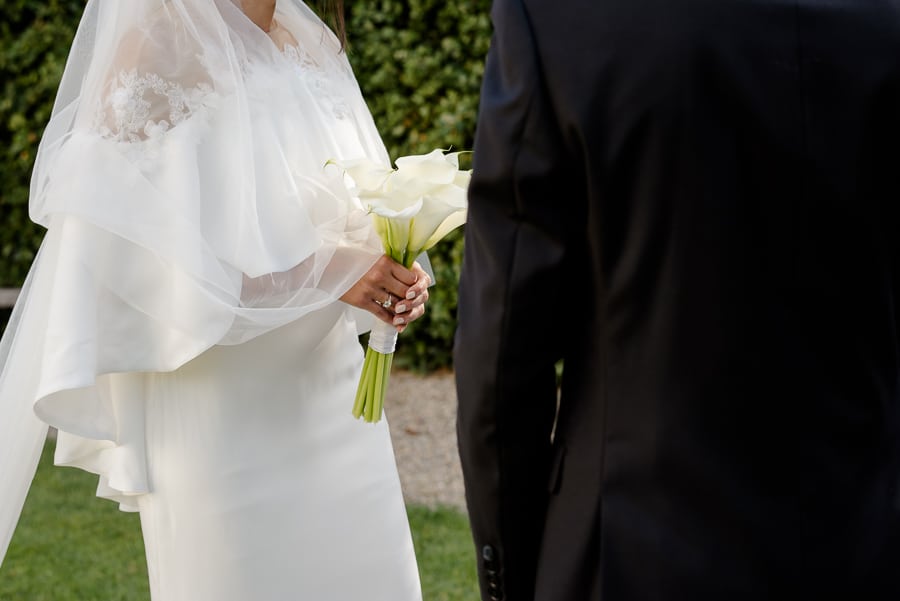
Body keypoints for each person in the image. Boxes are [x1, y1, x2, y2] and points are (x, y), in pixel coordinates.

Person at [454, 0, 900, 599]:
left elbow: (504, 351)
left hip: (632, 550)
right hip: (865, 544)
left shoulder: (557, 17)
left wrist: (508, 574)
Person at [0, 1, 428, 599]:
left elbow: (358, 223)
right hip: (220, 410)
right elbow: (131, 256)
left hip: (335, 402)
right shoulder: (155, 42)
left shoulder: (310, 42)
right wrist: (330, 273)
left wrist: (392, 280)